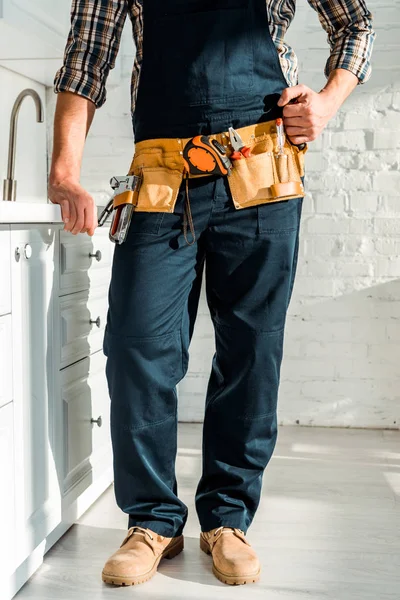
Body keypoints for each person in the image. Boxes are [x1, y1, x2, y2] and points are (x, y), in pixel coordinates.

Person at [49, 0, 375, 587]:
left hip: (263, 168)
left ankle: (226, 518)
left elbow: (356, 22)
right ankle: (153, 521)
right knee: (134, 345)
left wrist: (324, 105)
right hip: (160, 173)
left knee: (251, 351)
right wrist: (65, 169)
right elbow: (86, 59)